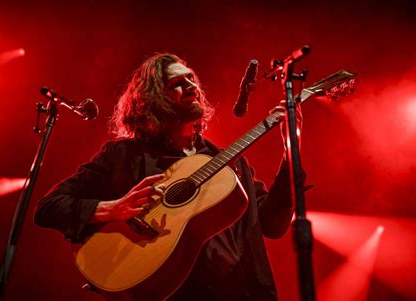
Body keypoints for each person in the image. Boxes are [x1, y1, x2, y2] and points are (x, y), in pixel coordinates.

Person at [34, 53, 301, 300]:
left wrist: (292, 151)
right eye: (177, 82)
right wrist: (113, 209)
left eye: (191, 79)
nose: (191, 87)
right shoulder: (123, 156)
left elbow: (273, 225)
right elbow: (48, 207)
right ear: (153, 98)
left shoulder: (232, 163)